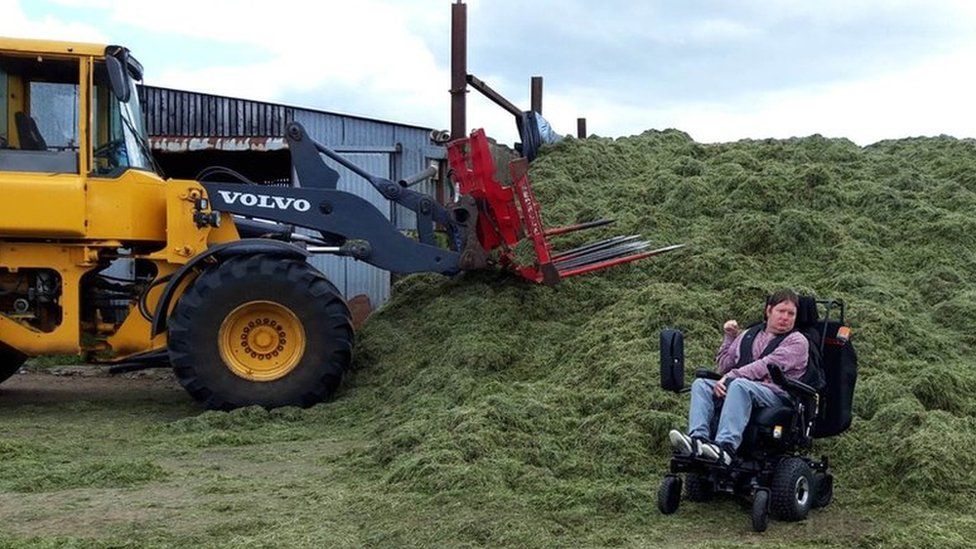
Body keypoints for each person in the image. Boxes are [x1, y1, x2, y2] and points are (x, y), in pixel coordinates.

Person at [668, 289, 809, 466]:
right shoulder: (749, 334)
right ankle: (698, 439)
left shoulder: (797, 341)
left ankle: (725, 447)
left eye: (791, 314)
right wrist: (730, 337)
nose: (786, 317)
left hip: (777, 394)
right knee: (701, 384)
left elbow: (765, 365)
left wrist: (729, 378)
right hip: (744, 386)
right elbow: (724, 366)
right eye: (781, 311)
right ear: (769, 311)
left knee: (739, 385)